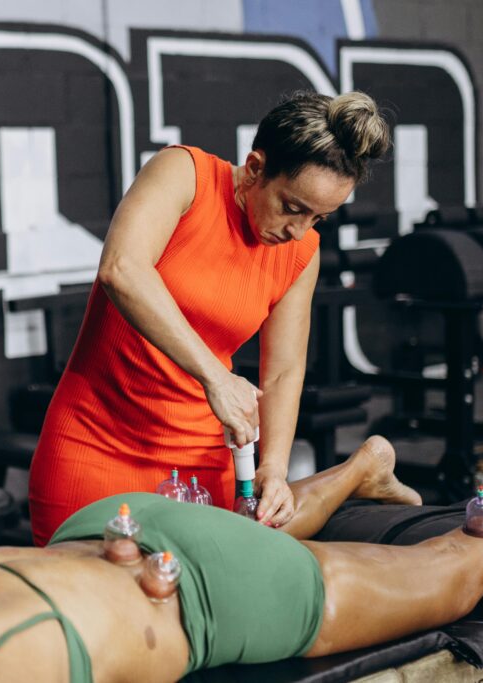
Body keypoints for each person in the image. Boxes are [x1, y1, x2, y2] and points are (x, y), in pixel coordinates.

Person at [0, 438, 483, 682]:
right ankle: (364, 464)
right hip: (110, 528)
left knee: (460, 568)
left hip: (199, 588)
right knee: (254, 533)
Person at [28, 91, 391, 543]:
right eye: (293, 207)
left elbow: (282, 371)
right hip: (95, 440)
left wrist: (273, 468)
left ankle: (363, 469)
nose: (298, 230)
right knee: (86, 602)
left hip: (201, 456)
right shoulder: (184, 174)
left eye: (319, 218)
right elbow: (122, 270)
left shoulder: (301, 253)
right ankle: (360, 470)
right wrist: (216, 379)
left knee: (204, 601)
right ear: (256, 168)